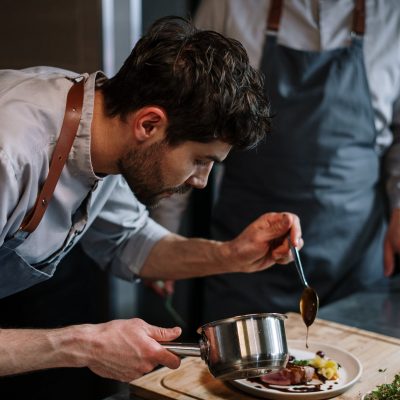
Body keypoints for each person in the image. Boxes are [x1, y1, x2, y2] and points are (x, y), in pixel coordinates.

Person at [0, 16, 303, 383]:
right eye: (200, 160)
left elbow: (131, 243)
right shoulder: (11, 155)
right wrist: (82, 346)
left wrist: (232, 255)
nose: (201, 180)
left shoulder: (104, 127)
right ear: (148, 124)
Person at [192, 0, 400, 323]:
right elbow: (184, 126)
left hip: (355, 266)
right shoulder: (228, 6)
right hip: (246, 265)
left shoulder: (392, 14)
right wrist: (163, 239)